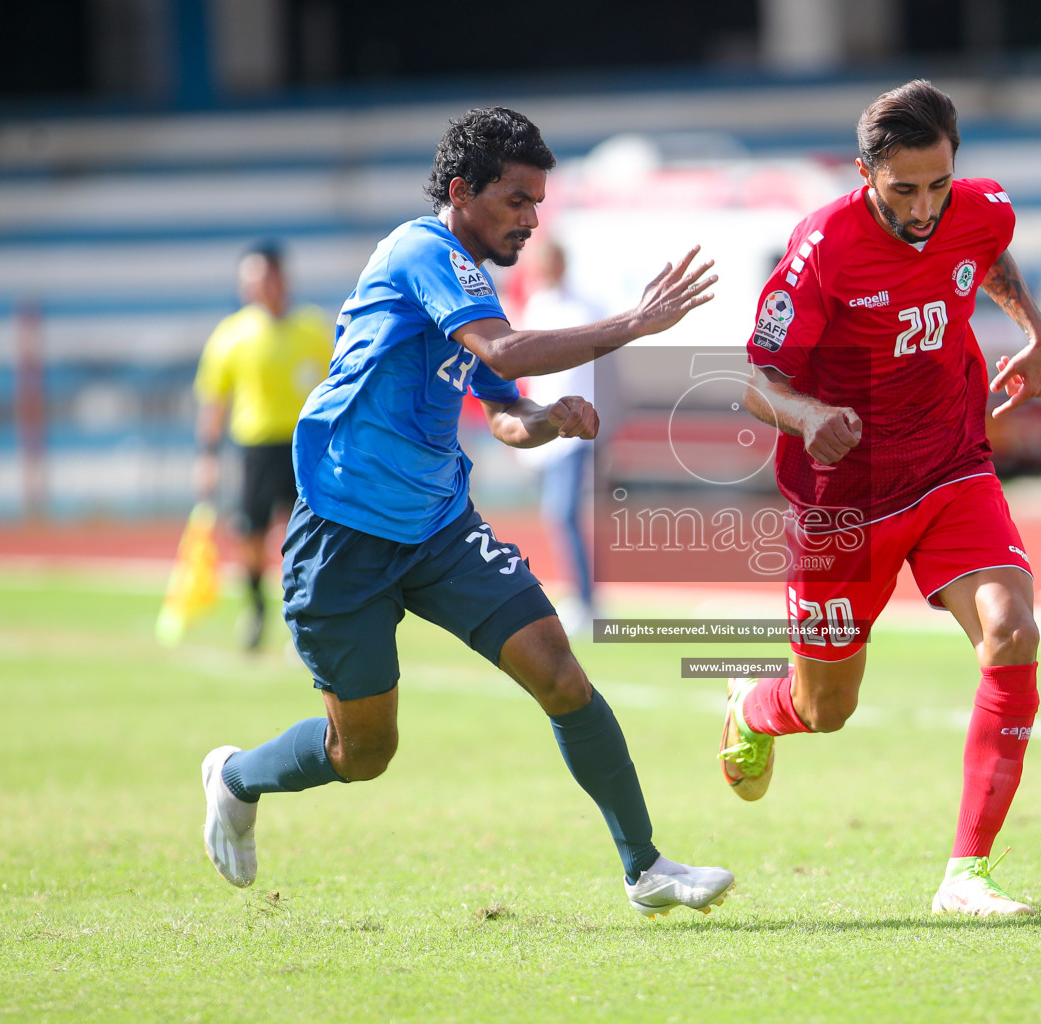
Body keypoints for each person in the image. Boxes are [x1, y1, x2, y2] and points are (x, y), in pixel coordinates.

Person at [201, 106, 733, 919]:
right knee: (365, 751)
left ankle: (646, 866)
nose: (531, 219)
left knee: (560, 672)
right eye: (517, 201)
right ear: (462, 191)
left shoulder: (471, 282)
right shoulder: (421, 251)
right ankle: (236, 777)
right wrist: (634, 324)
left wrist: (548, 419)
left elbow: (504, 409)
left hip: (440, 528)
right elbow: (506, 350)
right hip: (343, 532)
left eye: (538, 204)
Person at [718, 80, 1041, 918]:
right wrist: (808, 414)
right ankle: (752, 706)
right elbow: (755, 380)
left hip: (951, 467)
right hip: (845, 501)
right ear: (866, 173)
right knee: (826, 709)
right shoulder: (822, 248)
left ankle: (966, 875)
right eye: (903, 189)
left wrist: (1034, 330)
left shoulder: (979, 209)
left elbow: (987, 252)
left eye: (938, 184)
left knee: (1012, 631)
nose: (924, 208)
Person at [193, 241, 332, 649]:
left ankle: (303, 618)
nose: (258, 287)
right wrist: (207, 457)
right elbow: (214, 399)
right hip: (255, 447)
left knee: (304, 536)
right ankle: (255, 609)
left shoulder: (313, 329)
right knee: (251, 536)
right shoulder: (231, 335)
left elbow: (337, 386)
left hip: (303, 446)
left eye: (265, 277)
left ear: (282, 278)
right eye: (249, 280)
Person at [514, 240, 605, 635]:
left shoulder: (580, 309)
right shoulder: (537, 305)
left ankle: (585, 599)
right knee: (558, 516)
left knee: (562, 513)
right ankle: (580, 595)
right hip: (543, 428)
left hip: (570, 430)